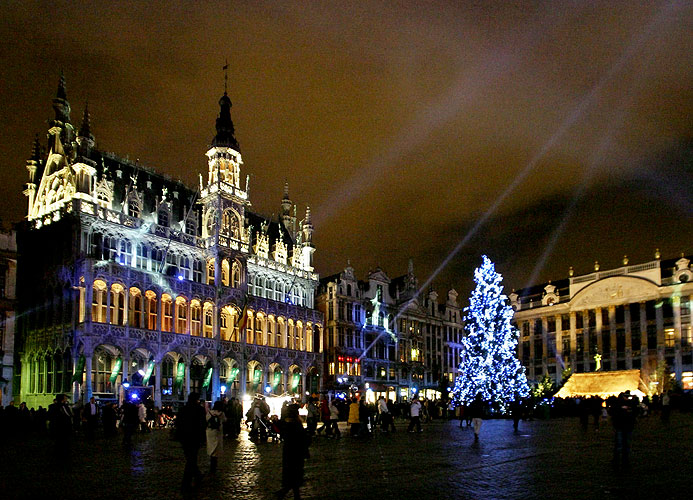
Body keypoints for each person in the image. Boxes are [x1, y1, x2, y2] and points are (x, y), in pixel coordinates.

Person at [276, 404, 310, 500]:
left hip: (289, 452)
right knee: (295, 474)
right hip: (296, 452)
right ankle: (285, 492)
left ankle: (291, 493)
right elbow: (302, 438)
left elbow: (281, 432)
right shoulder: (295, 424)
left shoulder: (286, 424)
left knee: (292, 474)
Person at [177, 392, 207, 490]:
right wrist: (203, 438)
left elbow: (178, 424)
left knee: (190, 458)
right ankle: (188, 481)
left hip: (185, 437)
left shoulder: (183, 409)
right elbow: (202, 425)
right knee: (192, 459)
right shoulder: (200, 410)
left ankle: (195, 476)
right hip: (195, 437)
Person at [610, 391, 637, 472]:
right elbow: (613, 413)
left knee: (626, 445)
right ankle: (617, 460)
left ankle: (624, 460)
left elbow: (635, 413)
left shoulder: (631, 404)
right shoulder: (617, 404)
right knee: (619, 444)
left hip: (627, 427)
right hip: (621, 427)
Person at [47, 394, 73, 461]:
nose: (66, 399)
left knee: (58, 442)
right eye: (65, 398)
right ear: (62, 399)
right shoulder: (63, 406)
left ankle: (58, 454)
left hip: (57, 427)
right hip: (62, 427)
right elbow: (68, 415)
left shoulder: (52, 406)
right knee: (63, 442)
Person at [206, 401, 227, 474]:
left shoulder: (210, 412)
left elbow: (206, 420)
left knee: (211, 447)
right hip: (218, 432)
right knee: (216, 448)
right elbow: (225, 420)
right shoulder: (221, 413)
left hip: (210, 431)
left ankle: (212, 461)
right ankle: (213, 465)